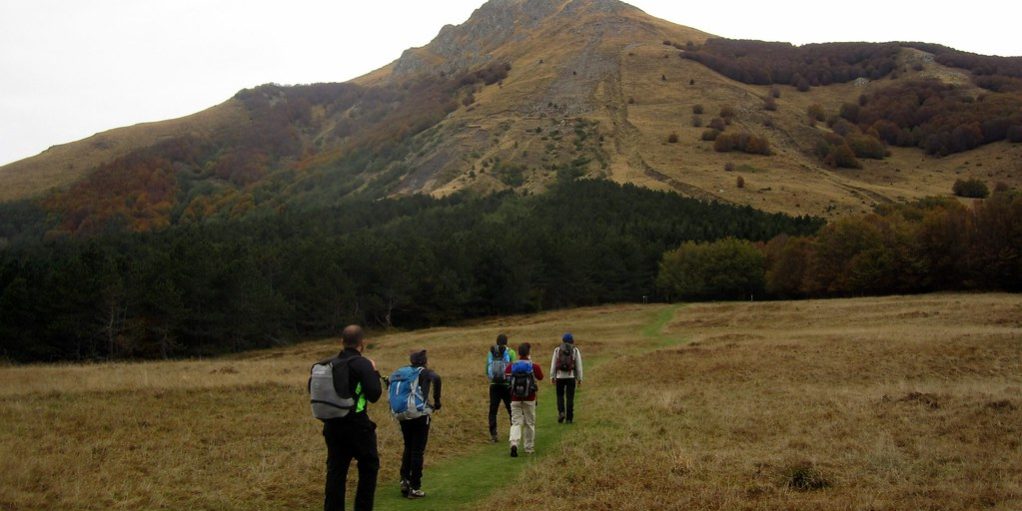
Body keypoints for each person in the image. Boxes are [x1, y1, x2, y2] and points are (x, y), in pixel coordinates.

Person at [318, 325, 382, 511]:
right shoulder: (362, 363)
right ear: (362, 344)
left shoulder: (328, 364)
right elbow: (374, 395)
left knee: (336, 471)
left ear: (341, 342)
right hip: (357, 424)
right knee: (369, 467)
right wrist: (374, 371)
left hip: (332, 424)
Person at [396, 350, 441, 499]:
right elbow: (437, 379)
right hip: (420, 414)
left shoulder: (404, 372)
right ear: (424, 361)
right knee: (417, 451)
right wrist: (437, 400)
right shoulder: (425, 372)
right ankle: (415, 487)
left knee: (408, 447)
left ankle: (404, 479)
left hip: (403, 414)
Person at [506, 342, 543, 457]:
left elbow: (506, 376)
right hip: (529, 398)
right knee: (529, 423)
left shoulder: (511, 366)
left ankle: (514, 443)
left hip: (515, 398)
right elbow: (540, 377)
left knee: (516, 422)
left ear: (518, 353)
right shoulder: (533, 366)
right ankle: (529, 447)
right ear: (528, 352)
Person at [486, 333, 517, 442]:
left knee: (493, 410)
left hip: (494, 385)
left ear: (496, 341)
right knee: (511, 409)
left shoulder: (491, 352)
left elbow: (487, 369)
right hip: (507, 385)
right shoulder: (511, 352)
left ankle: (493, 434)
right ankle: (514, 433)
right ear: (506, 342)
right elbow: (514, 367)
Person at [550, 332, 583, 424]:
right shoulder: (575, 350)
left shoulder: (557, 350)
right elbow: (578, 366)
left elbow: (553, 364)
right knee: (570, 397)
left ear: (563, 340)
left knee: (560, 396)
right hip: (570, 376)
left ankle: (561, 412)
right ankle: (569, 418)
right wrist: (579, 378)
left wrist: (552, 376)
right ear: (572, 340)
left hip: (559, 376)